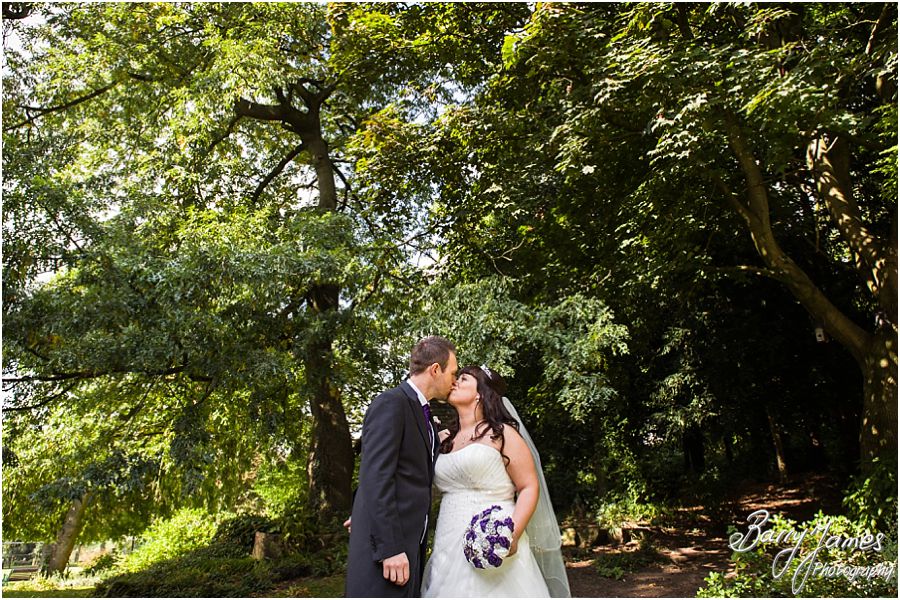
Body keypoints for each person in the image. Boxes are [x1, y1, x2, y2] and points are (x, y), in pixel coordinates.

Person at [422, 365, 570, 597]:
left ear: (480, 392)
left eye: (463, 379)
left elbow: (529, 486)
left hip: (493, 536)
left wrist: (511, 535)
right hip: (447, 540)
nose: (455, 382)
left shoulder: (503, 434)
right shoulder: (445, 439)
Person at [345, 336, 458, 598]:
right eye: (453, 372)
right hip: (388, 551)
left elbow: (406, 471)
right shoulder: (392, 403)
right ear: (435, 370)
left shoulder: (424, 414)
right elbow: (376, 476)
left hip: (410, 545)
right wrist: (390, 548)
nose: (454, 380)